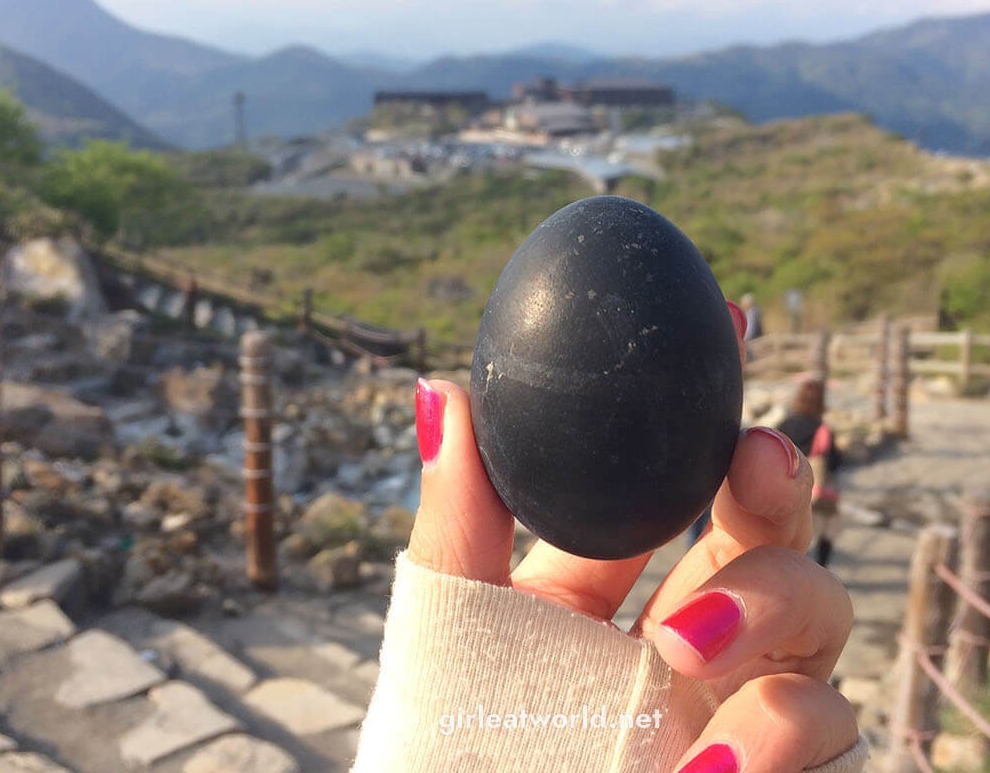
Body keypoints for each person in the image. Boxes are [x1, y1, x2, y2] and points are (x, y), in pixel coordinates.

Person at [350, 310, 865, 773]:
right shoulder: (452, 675)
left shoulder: (451, 685)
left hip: (668, 495)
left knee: (720, 531)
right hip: (674, 491)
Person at [775, 374, 842, 568]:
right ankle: (821, 566)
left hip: (785, 487)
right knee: (824, 529)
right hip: (813, 489)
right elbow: (834, 462)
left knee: (788, 533)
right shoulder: (822, 429)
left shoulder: (786, 424)